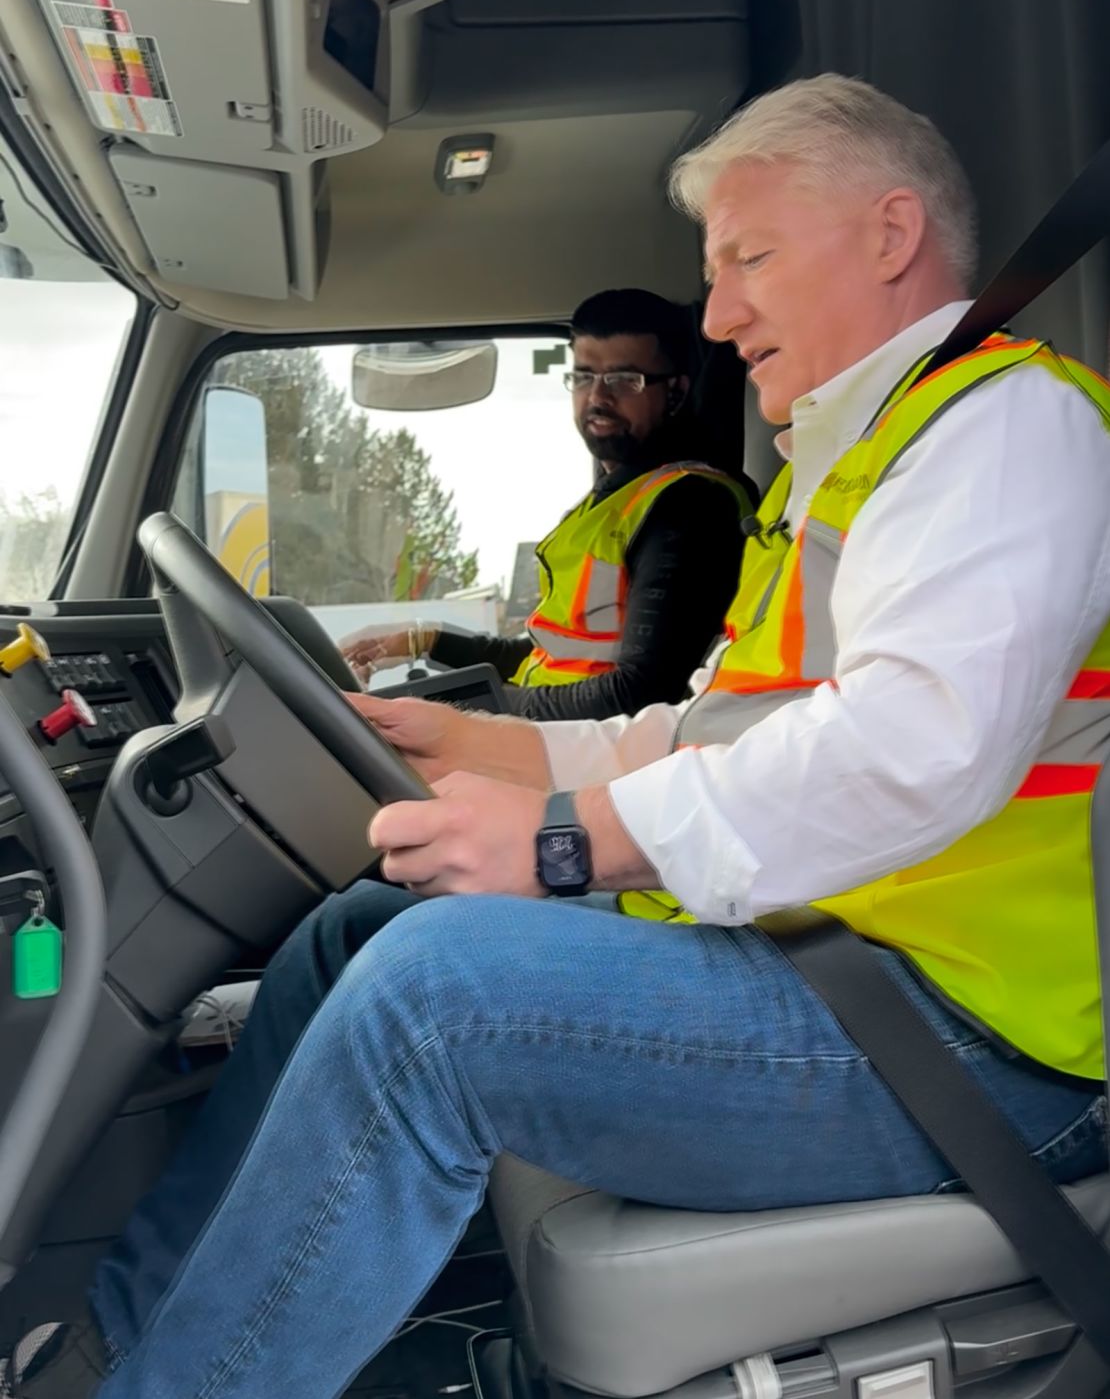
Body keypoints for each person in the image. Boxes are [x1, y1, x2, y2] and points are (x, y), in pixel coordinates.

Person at [14, 74, 1110, 1398]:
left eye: (748, 260)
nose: (715, 316)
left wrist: (564, 839)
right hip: (836, 963)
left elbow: (917, 743)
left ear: (888, 236)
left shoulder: (1001, 428)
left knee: (436, 996)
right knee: (357, 928)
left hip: (974, 1038)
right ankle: (111, 1349)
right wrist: (485, 747)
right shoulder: (849, 457)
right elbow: (706, 730)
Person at [340, 288, 750, 721]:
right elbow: (548, 656)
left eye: (624, 380)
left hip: (596, 755)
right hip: (558, 738)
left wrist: (473, 711)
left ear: (676, 392)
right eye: (583, 376)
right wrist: (421, 640)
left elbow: (643, 691)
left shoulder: (689, 505)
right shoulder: (611, 502)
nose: (598, 397)